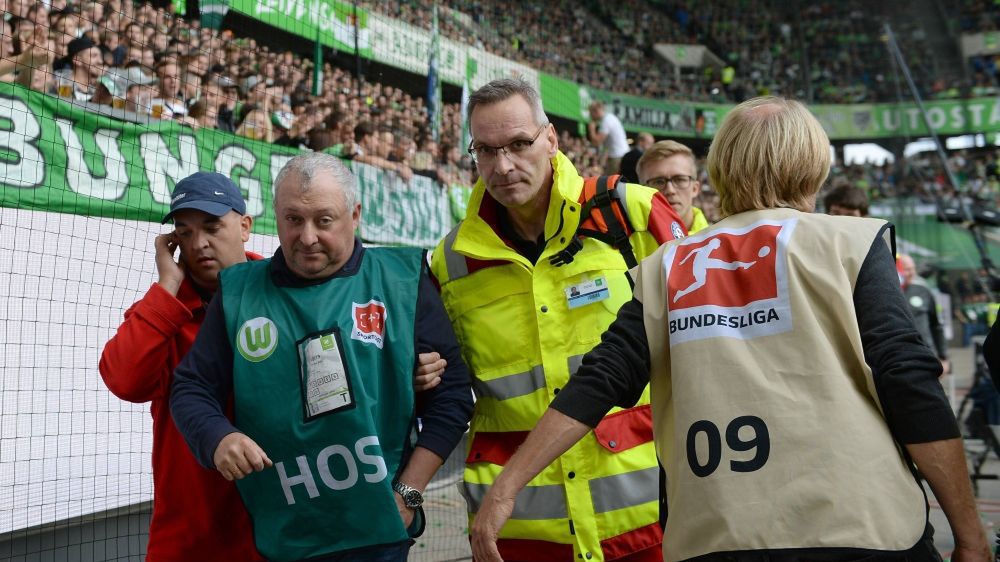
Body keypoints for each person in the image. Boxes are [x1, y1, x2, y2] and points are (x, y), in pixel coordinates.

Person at [470, 97, 989, 562]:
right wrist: (968, 533)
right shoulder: (848, 244)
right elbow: (908, 380)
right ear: (812, 166)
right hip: (861, 525)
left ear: (716, 172)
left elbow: (598, 380)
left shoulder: (669, 266)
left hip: (717, 532)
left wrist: (506, 486)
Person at [100, 171, 446, 561]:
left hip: (291, 521)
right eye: (183, 232)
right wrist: (167, 287)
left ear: (245, 226)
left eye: (212, 227)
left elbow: (352, 375)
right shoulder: (164, 314)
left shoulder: (288, 291)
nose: (199, 244)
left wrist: (402, 374)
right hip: (197, 526)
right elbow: (126, 381)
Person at [431, 78, 686, 562]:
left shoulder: (631, 214)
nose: (502, 166)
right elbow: (447, 384)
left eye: (519, 144)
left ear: (550, 138)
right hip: (521, 534)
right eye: (485, 150)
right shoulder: (450, 262)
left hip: (649, 523)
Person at [637, 140, 709, 234]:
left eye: (679, 179)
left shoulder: (719, 243)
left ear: (695, 189)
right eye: (659, 182)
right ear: (642, 191)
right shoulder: (624, 243)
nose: (670, 190)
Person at [898, 254, 950, 375]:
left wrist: (943, 357)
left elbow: (936, 325)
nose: (911, 273)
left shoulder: (923, 290)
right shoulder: (888, 293)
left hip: (926, 356)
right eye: (907, 269)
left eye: (913, 268)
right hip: (901, 359)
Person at [587, 101, 630, 176]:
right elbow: (607, 146)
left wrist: (591, 129)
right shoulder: (609, 118)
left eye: (591, 113)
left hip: (617, 157)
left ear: (596, 111)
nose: (591, 117)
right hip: (618, 155)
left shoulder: (606, 121)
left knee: (610, 184)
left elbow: (596, 142)